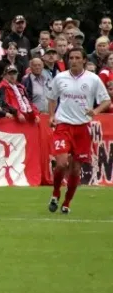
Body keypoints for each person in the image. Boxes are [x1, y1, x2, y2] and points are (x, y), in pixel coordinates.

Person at [47, 47, 111, 214]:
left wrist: (95, 112)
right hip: (63, 126)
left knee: (75, 169)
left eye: (77, 58)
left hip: (82, 128)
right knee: (61, 164)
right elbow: (52, 98)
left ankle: (67, 203)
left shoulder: (93, 79)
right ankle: (55, 194)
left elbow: (106, 100)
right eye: (71, 58)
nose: (73, 60)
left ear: (84, 60)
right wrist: (52, 116)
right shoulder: (60, 78)